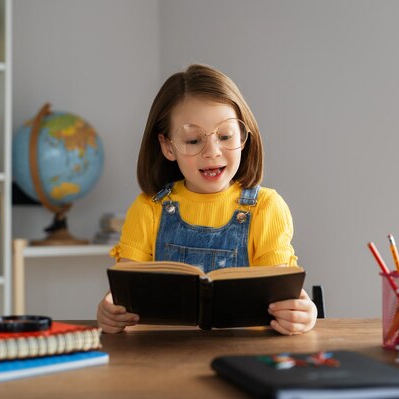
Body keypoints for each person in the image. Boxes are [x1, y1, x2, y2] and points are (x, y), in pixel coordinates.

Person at [97, 64, 317, 335]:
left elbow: (285, 298)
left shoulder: (266, 208)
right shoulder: (148, 209)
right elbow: (122, 298)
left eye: (225, 136)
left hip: (243, 357)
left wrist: (303, 314)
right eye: (193, 140)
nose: (212, 152)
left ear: (244, 137)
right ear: (168, 146)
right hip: (161, 358)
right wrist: (110, 313)